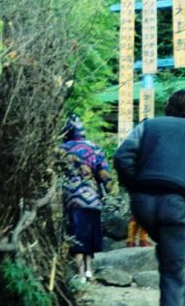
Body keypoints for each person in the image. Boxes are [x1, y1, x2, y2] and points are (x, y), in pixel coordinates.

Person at [113, 90, 185, 306]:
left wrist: (136, 186)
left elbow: (121, 157)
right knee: (171, 271)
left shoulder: (148, 126)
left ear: (168, 108)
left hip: (143, 204)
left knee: (170, 263)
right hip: (177, 205)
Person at [59, 114, 113, 283]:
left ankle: (80, 273)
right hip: (93, 199)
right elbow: (105, 175)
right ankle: (90, 270)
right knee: (90, 235)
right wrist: (108, 191)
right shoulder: (95, 148)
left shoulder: (62, 149)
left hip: (72, 198)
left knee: (76, 235)